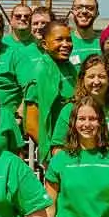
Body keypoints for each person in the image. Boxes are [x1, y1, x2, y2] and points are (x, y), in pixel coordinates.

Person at [49, 55, 109, 155]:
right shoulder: (69, 110)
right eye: (91, 77)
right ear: (82, 79)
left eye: (101, 76)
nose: (96, 82)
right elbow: (57, 148)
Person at [24, 21, 78, 151]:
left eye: (69, 40)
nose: (65, 44)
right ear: (44, 44)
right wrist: (51, 151)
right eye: (59, 40)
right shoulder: (38, 73)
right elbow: (31, 124)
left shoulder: (70, 68)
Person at [69, 0, 102, 65]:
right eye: (78, 8)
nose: (84, 11)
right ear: (72, 13)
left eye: (90, 8)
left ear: (97, 13)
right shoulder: (64, 42)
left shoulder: (105, 43)